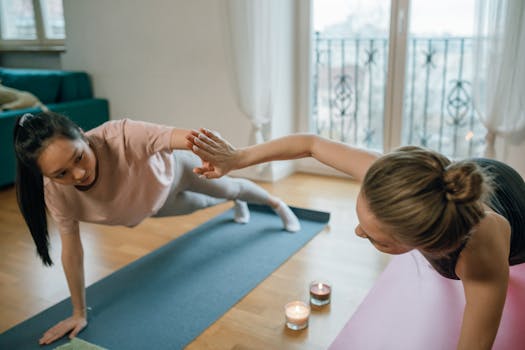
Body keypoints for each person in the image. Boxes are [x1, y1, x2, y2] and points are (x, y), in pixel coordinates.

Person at [186, 129, 525, 350]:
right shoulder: (387, 180)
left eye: (378, 241)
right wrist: (237, 158)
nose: (358, 232)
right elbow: (311, 144)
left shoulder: (479, 257)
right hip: (464, 176)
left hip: (515, 209)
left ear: (427, 242)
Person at [13, 112, 301, 345]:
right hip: (155, 205)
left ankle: (276, 204)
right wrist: (78, 312)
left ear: (81, 133)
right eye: (61, 174)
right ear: (43, 176)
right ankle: (235, 203)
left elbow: (186, 137)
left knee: (229, 187)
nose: (78, 173)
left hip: (178, 170)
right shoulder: (56, 194)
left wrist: (220, 151)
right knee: (205, 204)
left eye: (78, 157)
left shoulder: (119, 135)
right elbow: (72, 250)